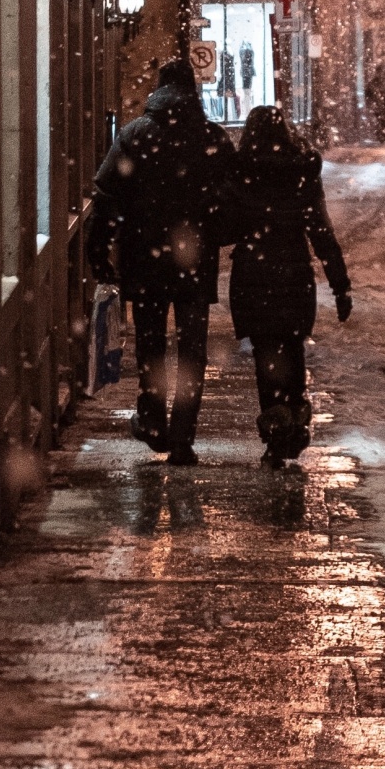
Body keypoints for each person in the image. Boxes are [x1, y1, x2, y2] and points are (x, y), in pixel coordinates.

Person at [88, 57, 241, 466]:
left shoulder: (136, 135)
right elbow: (233, 198)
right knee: (192, 350)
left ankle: (153, 420)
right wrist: (217, 236)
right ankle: (182, 437)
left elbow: (106, 193)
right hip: (194, 261)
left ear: (158, 90)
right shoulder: (212, 137)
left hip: (145, 258)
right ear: (193, 92)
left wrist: (99, 248)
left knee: (151, 343)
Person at [228, 104, 352, 468]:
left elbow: (225, 225)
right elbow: (321, 232)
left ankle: (277, 431)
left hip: (255, 274)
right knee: (293, 351)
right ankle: (295, 423)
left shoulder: (242, 172)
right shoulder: (301, 172)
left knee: (266, 355)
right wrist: (340, 286)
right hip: (295, 274)